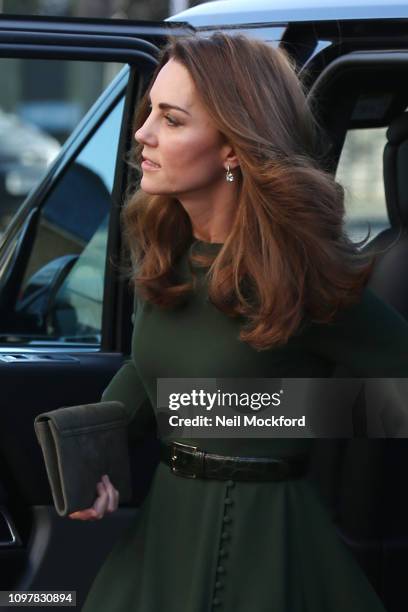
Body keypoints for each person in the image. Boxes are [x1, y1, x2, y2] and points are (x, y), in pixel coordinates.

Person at [76, 32, 408, 612]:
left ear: (233, 147)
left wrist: (267, 416)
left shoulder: (301, 274)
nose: (142, 134)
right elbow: (146, 370)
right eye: (149, 111)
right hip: (162, 533)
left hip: (265, 543)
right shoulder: (168, 248)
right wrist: (92, 451)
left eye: (172, 120)